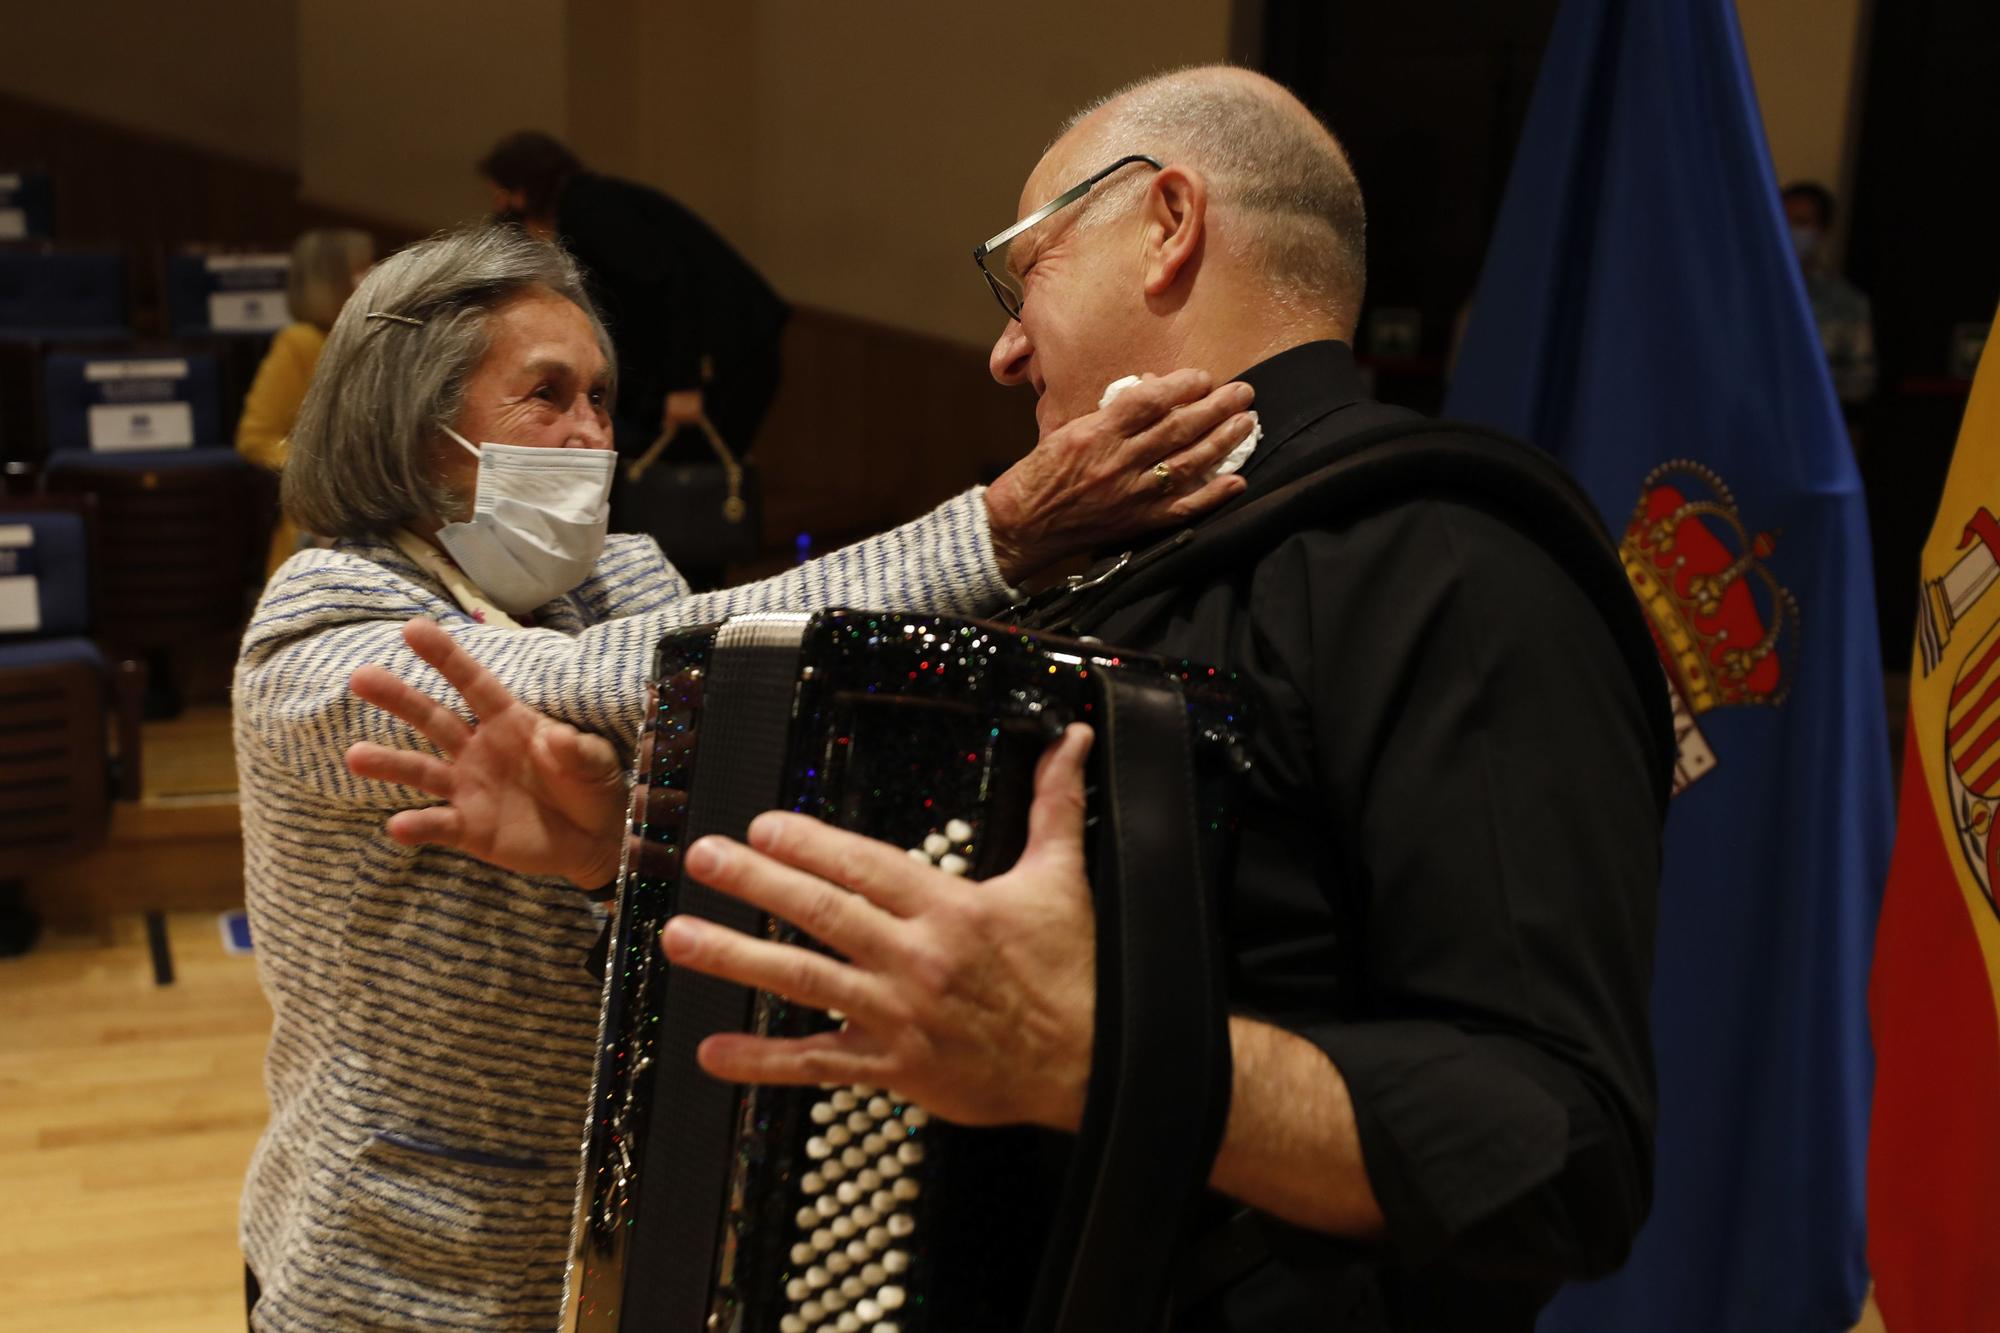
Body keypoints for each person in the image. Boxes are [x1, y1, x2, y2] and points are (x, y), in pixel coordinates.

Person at [359, 69, 1671, 1331]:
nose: (998, 348)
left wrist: (1101, 1053)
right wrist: (625, 856)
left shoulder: (1445, 555)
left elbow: (1557, 1150)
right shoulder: (1094, 571)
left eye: (1022, 267)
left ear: (1168, 222)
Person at [231, 219, 1253, 1330]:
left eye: (602, 398)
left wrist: (604, 861)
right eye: (546, 395)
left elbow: (696, 766)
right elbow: (605, 682)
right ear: (413, 426)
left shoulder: (614, 578)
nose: (590, 434)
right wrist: (996, 533)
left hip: (626, 1223)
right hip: (399, 1257)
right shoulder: (322, 618)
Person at [479, 130, 788, 586]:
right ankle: (675, 587)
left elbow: (670, 285)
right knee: (672, 486)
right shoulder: (590, 204)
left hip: (725, 361)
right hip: (723, 355)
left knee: (684, 488)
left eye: (501, 191)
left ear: (521, 189)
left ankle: (682, 592)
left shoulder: (592, 210)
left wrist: (684, 385)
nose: (498, 203)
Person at [235, 228, 375, 577]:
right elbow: (254, 438)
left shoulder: (367, 337)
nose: (373, 275)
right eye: (360, 269)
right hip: (321, 529)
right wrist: (323, 469)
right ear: (329, 283)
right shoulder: (299, 342)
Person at [1782, 180, 1877, 409]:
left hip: (1810, 424)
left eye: (1802, 222)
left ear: (1822, 229)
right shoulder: (1742, 293)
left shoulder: (1844, 302)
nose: (1790, 230)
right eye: (1783, 219)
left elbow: (1861, 382)